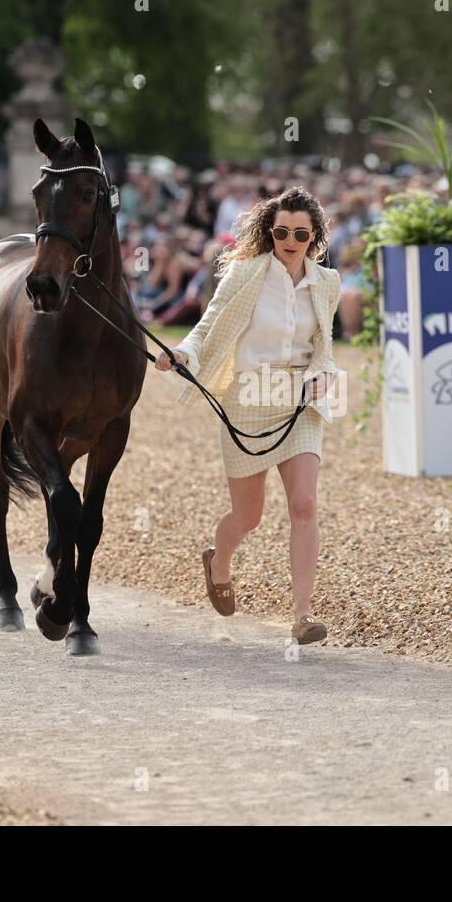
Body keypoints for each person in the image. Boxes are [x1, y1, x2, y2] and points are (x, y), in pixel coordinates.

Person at [154, 186, 342, 646]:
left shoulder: (327, 283)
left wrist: (323, 375)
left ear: (315, 235)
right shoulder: (246, 273)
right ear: (270, 232)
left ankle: (302, 616)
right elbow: (208, 323)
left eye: (301, 232)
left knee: (304, 504)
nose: (290, 240)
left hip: (299, 400)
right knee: (249, 514)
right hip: (248, 398)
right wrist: (183, 353)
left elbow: (324, 347)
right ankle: (218, 562)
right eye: (282, 232)